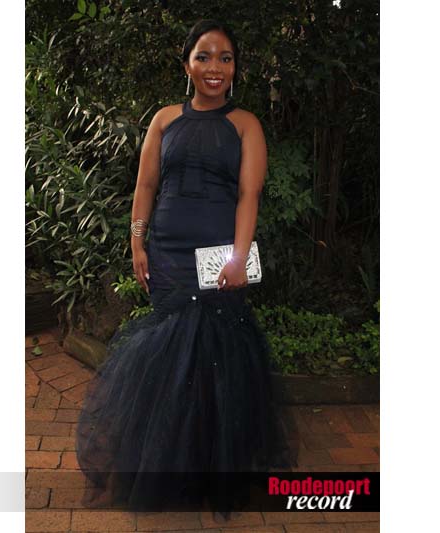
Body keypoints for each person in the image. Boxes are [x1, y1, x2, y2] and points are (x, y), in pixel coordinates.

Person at [75, 19, 298, 519]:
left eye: (225, 58)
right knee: (171, 356)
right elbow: (145, 186)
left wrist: (238, 257)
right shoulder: (164, 120)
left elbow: (249, 195)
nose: (215, 67)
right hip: (169, 253)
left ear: (235, 69)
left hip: (217, 258)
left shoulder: (246, 125)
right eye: (204, 56)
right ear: (187, 65)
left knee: (217, 356)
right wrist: (137, 242)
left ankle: (209, 471)